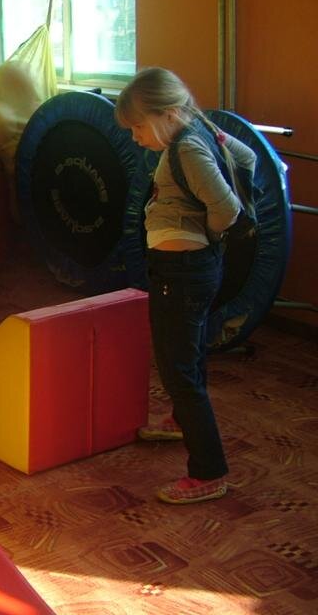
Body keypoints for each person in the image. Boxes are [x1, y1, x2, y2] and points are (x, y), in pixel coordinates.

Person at [115, 67, 256, 505]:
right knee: (187, 356)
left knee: (178, 370)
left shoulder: (188, 147)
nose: (136, 138)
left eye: (139, 127)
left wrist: (206, 234)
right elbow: (248, 158)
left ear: (168, 114)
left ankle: (208, 472)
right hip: (187, 270)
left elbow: (227, 210)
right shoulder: (199, 132)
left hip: (184, 272)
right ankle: (181, 422)